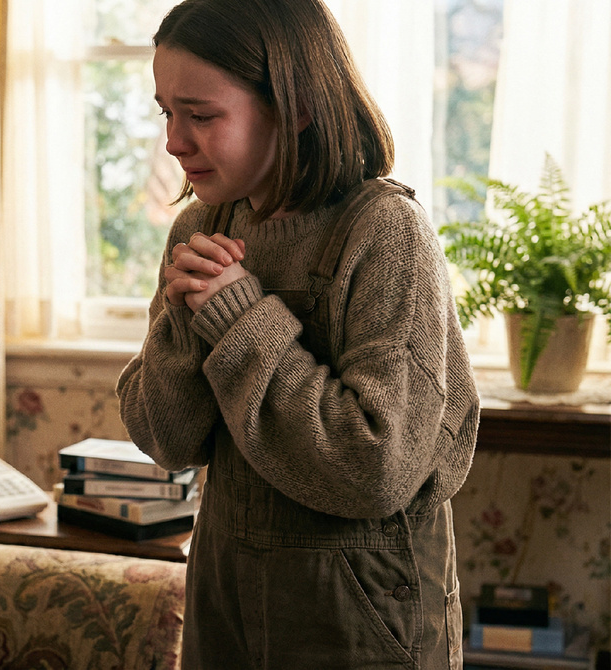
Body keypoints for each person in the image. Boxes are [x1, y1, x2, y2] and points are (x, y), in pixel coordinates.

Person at [117, 1, 480, 668]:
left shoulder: (386, 233)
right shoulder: (199, 230)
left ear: (299, 108)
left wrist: (239, 319)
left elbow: (378, 469)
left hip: (362, 621)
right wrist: (185, 320)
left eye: (201, 115)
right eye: (166, 112)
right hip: (225, 604)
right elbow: (168, 441)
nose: (173, 141)